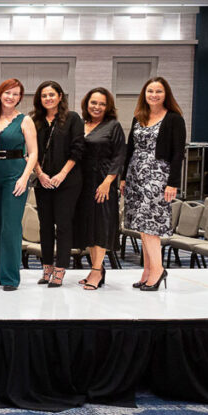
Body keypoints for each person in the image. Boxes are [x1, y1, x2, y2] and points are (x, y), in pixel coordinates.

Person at [120, 76, 186, 292]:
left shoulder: (174, 119)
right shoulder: (138, 116)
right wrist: (123, 177)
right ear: (144, 94)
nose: (154, 95)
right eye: (150, 91)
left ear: (165, 94)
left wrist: (172, 182)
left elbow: (178, 153)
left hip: (159, 175)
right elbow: (130, 148)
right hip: (135, 175)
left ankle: (158, 270)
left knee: (151, 225)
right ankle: (147, 271)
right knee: (140, 226)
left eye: (158, 91)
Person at [31, 80, 84, 287]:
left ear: (60, 96)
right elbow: (31, 149)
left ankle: (60, 270)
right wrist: (40, 173)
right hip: (42, 180)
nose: (48, 99)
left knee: (62, 226)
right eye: (44, 95)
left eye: (52, 95)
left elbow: (78, 149)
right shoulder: (34, 120)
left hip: (68, 181)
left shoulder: (72, 119)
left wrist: (61, 175)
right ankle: (47, 270)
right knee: (44, 226)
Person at [0, 79, 38, 291]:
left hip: (15, 174)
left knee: (11, 227)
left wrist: (25, 177)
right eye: (8, 93)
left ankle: (10, 278)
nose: (11, 97)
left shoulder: (25, 120)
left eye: (16, 94)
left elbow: (33, 152)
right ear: (0, 94)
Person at [75, 88, 125, 291]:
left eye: (102, 104)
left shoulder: (113, 126)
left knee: (101, 226)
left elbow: (120, 155)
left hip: (103, 182)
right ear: (87, 104)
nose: (97, 107)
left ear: (108, 107)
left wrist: (108, 182)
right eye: (94, 103)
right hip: (83, 183)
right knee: (88, 226)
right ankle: (97, 268)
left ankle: (96, 270)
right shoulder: (81, 124)